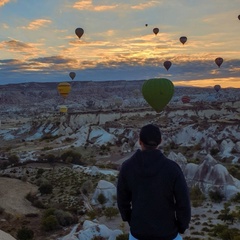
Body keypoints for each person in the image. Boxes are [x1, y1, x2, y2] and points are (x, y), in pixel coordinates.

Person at [117, 124, 191, 240]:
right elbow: (183, 203)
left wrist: (131, 220)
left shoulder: (127, 167)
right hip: (168, 234)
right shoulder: (172, 168)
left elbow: (122, 201)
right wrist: (181, 226)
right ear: (160, 141)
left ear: (140, 141)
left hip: (138, 234)